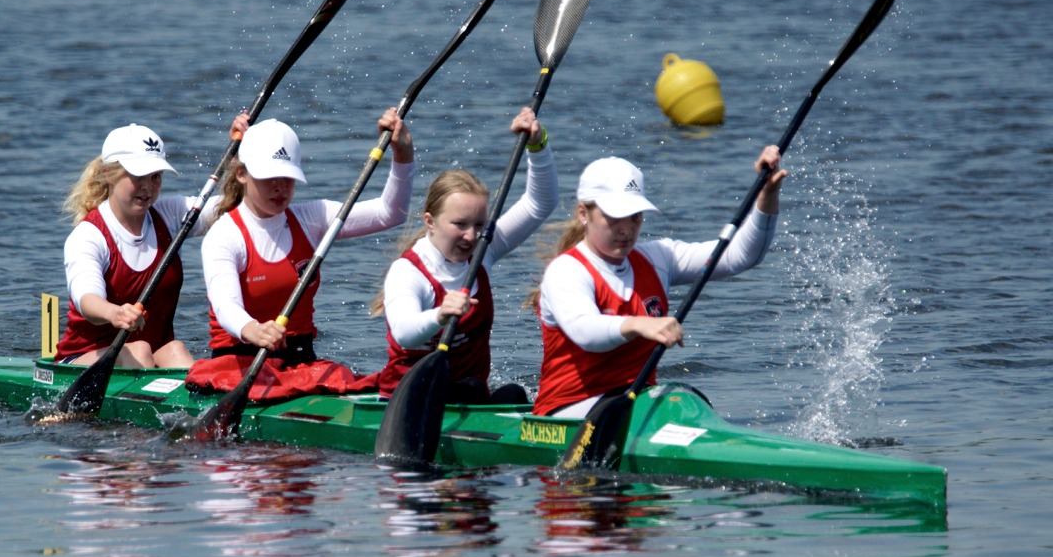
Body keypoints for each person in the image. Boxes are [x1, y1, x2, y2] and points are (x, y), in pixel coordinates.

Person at [532, 146, 787, 418]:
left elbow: (739, 256)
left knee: (681, 398)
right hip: (566, 412)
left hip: (633, 405)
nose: (627, 229)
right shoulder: (567, 270)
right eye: (615, 217)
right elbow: (585, 331)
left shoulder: (657, 258)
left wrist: (766, 197)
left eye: (635, 216)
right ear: (583, 214)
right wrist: (639, 324)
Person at [201, 109, 414, 366]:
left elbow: (390, 214)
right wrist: (253, 329)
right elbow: (225, 305)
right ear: (242, 174)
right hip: (240, 362)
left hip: (301, 360)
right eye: (269, 177)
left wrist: (403, 155)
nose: (280, 187)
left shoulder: (312, 218)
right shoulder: (224, 234)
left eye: (287, 177)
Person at [374, 108, 555, 403]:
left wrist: (537, 144)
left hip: (470, 397)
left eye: (479, 225)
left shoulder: (484, 250)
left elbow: (540, 203)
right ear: (430, 221)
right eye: (459, 225)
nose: (471, 236)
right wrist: (441, 314)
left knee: (514, 394)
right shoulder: (407, 272)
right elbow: (405, 332)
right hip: (412, 401)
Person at [55, 123, 217, 368]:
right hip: (84, 361)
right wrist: (114, 313)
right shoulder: (89, 235)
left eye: (156, 177)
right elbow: (86, 298)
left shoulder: (170, 215)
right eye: (138, 176)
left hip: (153, 357)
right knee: (139, 350)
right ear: (110, 175)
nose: (148, 187)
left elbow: (232, 208)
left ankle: (198, 404)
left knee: (176, 349)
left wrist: (246, 157)